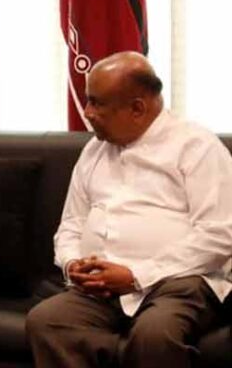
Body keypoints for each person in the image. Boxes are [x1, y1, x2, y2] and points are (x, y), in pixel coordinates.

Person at [26, 51, 232, 368]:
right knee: (48, 321)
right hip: (101, 291)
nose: (87, 112)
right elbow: (71, 225)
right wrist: (72, 264)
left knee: (155, 335)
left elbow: (219, 235)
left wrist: (136, 276)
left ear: (137, 108)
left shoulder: (196, 146)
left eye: (97, 103)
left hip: (178, 283)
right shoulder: (94, 150)